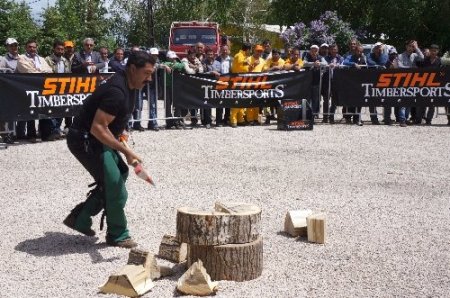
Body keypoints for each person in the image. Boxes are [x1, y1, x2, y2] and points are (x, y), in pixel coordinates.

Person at [63, 51, 156, 248]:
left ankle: (80, 217)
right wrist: (127, 152)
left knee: (120, 173)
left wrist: (121, 133)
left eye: (152, 74)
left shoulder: (131, 84)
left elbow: (116, 118)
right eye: (146, 73)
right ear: (132, 69)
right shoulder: (117, 91)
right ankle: (117, 234)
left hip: (98, 138)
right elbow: (98, 127)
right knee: (115, 186)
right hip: (86, 140)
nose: (150, 79)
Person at [16, 39, 54, 142]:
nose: (32, 49)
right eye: (30, 47)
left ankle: (45, 134)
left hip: (42, 88)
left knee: (44, 110)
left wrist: (38, 71)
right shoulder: (21, 58)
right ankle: (31, 135)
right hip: (28, 89)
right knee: (30, 111)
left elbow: (50, 70)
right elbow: (28, 71)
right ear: (26, 48)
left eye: (34, 47)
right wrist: (41, 72)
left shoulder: (41, 59)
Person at [45, 40, 71, 138]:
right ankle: (51, 130)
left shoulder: (65, 61)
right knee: (51, 110)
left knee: (61, 110)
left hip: (63, 89)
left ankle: (57, 129)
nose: (60, 51)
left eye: (62, 49)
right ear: (54, 49)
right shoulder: (47, 59)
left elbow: (69, 74)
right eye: (58, 49)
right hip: (51, 88)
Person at [396, 39, 424, 127]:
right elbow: (400, 67)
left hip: (412, 81)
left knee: (409, 101)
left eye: (412, 46)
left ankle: (406, 118)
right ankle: (402, 120)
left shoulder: (415, 55)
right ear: (406, 46)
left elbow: (422, 58)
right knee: (403, 101)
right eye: (410, 46)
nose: (411, 48)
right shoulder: (400, 56)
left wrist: (417, 48)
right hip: (403, 81)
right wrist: (411, 68)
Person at [0, 38, 20, 144]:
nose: (14, 47)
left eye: (15, 45)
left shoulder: (22, 58)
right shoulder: (3, 59)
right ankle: (8, 134)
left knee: (21, 111)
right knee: (9, 113)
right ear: (7, 47)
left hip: (20, 88)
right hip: (8, 89)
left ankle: (20, 133)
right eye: (11, 46)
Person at [417, 44, 441, 125]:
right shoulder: (424, 60)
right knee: (422, 103)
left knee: (432, 104)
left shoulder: (440, 61)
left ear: (438, 51)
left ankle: (429, 120)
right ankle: (419, 119)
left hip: (435, 86)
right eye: (432, 50)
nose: (433, 52)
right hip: (424, 85)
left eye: (435, 51)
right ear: (429, 51)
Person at [343, 44, 367, 125]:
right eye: (358, 51)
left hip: (360, 82)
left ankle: (357, 119)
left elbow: (367, 66)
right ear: (355, 50)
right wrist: (353, 64)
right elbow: (345, 62)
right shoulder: (350, 56)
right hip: (350, 82)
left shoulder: (364, 58)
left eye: (361, 51)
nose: (359, 52)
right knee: (349, 101)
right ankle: (348, 118)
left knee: (359, 101)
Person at [230, 43, 251, 128]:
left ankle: (240, 119)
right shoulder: (239, 55)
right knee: (237, 99)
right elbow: (240, 62)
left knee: (242, 100)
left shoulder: (244, 56)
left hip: (243, 80)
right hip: (237, 80)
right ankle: (233, 120)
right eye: (250, 49)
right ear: (248, 49)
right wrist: (247, 62)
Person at [366, 42, 388, 125]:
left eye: (380, 47)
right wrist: (377, 66)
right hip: (372, 80)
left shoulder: (385, 55)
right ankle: (374, 119)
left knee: (385, 99)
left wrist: (381, 53)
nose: (378, 49)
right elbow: (369, 62)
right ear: (374, 48)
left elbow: (383, 61)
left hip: (383, 80)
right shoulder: (369, 55)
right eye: (377, 47)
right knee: (372, 100)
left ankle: (386, 118)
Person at [161, 51, 185, 129]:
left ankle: (177, 121)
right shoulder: (164, 63)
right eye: (172, 58)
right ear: (168, 58)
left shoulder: (174, 63)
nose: (174, 59)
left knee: (177, 104)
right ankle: (169, 122)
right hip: (167, 86)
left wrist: (173, 65)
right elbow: (161, 65)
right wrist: (167, 65)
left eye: (174, 57)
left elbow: (182, 66)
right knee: (168, 105)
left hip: (175, 86)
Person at [245, 44, 268, 125]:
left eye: (260, 51)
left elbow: (265, 71)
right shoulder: (248, 59)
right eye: (257, 51)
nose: (259, 53)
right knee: (249, 101)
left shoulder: (263, 60)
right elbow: (245, 71)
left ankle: (256, 119)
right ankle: (249, 119)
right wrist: (254, 65)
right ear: (254, 50)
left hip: (259, 84)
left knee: (257, 102)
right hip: (249, 83)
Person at [303, 44, 327, 118]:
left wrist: (319, 63)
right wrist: (313, 64)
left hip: (317, 81)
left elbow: (325, 63)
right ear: (310, 51)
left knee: (316, 99)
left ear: (318, 51)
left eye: (315, 50)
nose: (314, 52)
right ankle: (307, 113)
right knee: (307, 98)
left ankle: (313, 114)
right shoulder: (307, 56)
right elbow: (303, 63)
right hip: (308, 81)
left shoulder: (320, 57)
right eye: (312, 50)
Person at [182, 48, 204, 127]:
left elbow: (201, 70)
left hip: (194, 85)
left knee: (194, 102)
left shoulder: (197, 60)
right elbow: (188, 71)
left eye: (194, 55)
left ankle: (194, 120)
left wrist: (194, 67)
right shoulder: (184, 60)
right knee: (184, 103)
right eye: (191, 55)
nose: (192, 56)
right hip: (185, 85)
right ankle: (181, 119)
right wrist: (195, 69)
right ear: (188, 55)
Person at [212, 45, 233, 127]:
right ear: (221, 50)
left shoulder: (232, 59)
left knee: (228, 101)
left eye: (226, 50)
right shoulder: (217, 59)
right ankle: (218, 121)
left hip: (229, 82)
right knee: (219, 101)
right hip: (220, 82)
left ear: (228, 51)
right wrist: (216, 73)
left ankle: (227, 119)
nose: (224, 51)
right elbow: (214, 70)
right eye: (223, 50)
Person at [324, 44, 344, 124]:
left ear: (337, 50)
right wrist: (328, 65)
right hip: (327, 81)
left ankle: (331, 116)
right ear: (329, 50)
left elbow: (343, 65)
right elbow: (324, 64)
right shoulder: (326, 58)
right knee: (326, 99)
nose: (333, 51)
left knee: (334, 100)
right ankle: (325, 117)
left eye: (335, 49)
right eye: (332, 49)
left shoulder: (341, 58)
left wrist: (339, 65)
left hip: (336, 80)